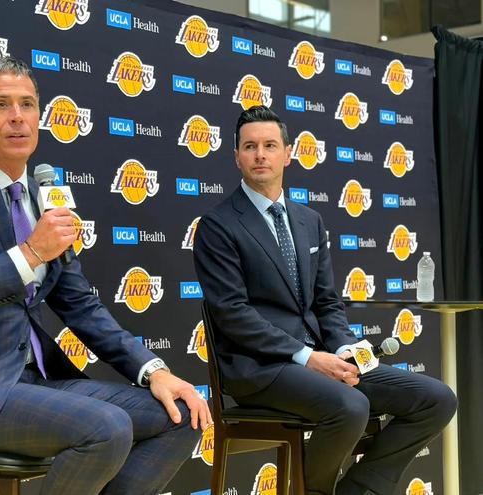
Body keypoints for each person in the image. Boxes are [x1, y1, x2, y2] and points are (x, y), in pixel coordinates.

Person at [0, 56, 211, 495]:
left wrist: (153, 370)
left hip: (35, 384)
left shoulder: (44, 198)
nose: (17, 116)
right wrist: (29, 254)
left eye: (27, 104)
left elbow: (81, 306)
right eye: (2, 104)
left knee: (182, 414)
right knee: (106, 427)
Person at [192, 105, 456, 495]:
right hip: (260, 368)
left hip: (322, 358)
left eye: (269, 145)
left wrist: (344, 348)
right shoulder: (218, 225)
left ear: (288, 153)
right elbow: (232, 314)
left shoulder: (309, 220)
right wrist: (308, 357)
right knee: (350, 406)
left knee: (436, 398)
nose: (260, 155)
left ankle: (358, 489)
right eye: (250, 146)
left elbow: (327, 302)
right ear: (236, 157)